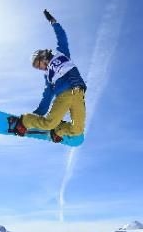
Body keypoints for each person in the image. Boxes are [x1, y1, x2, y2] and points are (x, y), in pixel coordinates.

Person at [11, 10, 87, 142]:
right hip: (64, 96)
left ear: (43, 56)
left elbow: (62, 37)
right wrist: (38, 113)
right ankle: (26, 120)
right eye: (37, 67)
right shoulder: (48, 77)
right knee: (49, 123)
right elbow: (47, 97)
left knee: (78, 129)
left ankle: (59, 130)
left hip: (79, 94)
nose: (40, 68)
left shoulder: (62, 54)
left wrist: (54, 22)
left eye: (38, 64)